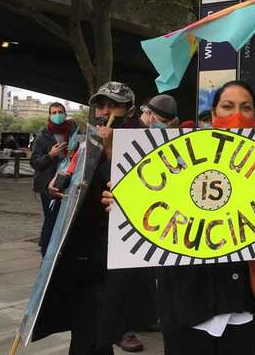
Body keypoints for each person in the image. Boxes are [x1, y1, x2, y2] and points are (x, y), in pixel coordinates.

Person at [103, 80, 255, 355]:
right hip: (186, 302)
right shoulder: (182, 156)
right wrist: (125, 202)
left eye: (246, 108)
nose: (237, 114)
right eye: (227, 106)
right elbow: (153, 203)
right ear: (213, 114)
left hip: (242, 302)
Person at [36, 82, 149, 354]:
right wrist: (57, 182)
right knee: (84, 325)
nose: (105, 111)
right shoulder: (86, 137)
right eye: (101, 105)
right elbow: (72, 172)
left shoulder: (142, 142)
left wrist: (110, 150)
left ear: (129, 110)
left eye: (114, 105)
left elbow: (140, 191)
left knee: (100, 326)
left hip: (113, 250)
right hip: (82, 246)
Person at [30, 102, 79, 256]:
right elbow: (35, 163)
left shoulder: (72, 132)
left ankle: (62, 253)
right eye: (54, 112)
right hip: (47, 186)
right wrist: (51, 155)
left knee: (65, 220)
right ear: (49, 115)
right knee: (50, 220)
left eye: (60, 112)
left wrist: (73, 154)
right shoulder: (42, 137)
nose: (57, 115)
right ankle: (46, 255)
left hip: (67, 183)